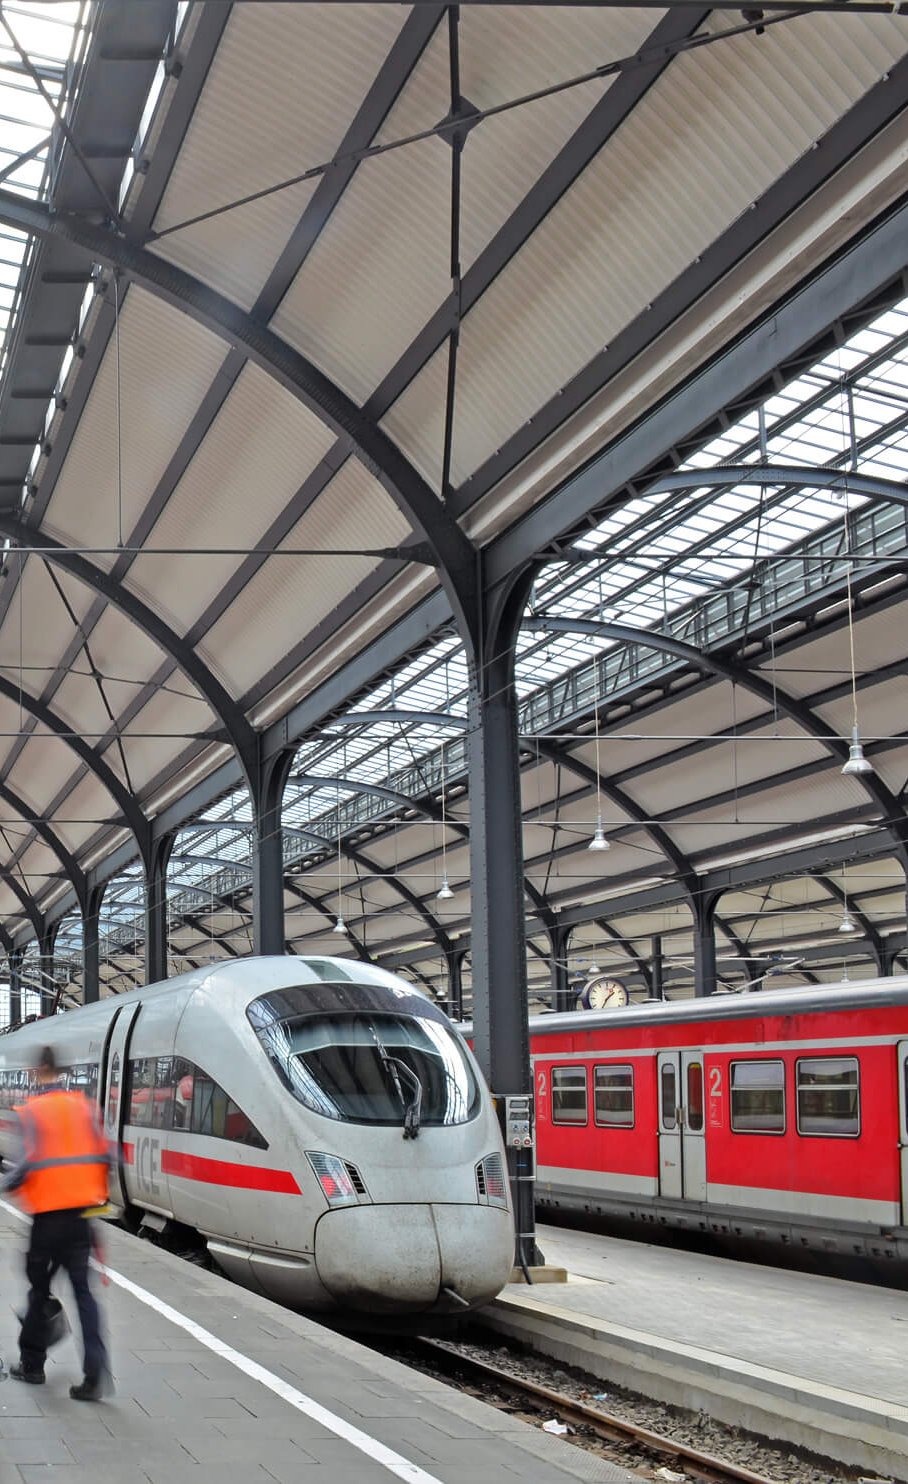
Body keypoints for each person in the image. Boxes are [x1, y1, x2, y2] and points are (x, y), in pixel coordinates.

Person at [3, 1045, 112, 1400]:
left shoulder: (33, 1112)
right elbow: (106, 1159)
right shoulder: (85, 1107)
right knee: (84, 1295)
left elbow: (25, 1165)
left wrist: (6, 1185)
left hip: (48, 1220)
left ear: (39, 1070)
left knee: (39, 1292)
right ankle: (95, 1372)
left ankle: (32, 1365)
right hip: (82, 1218)